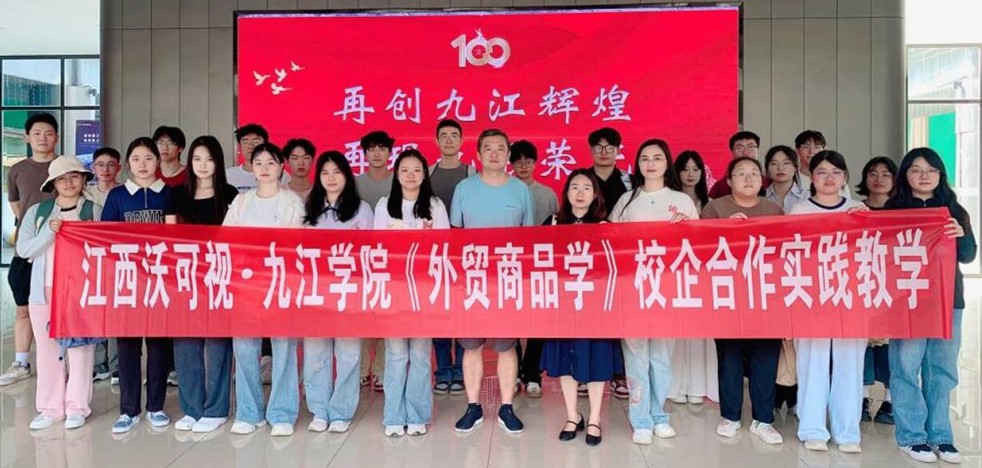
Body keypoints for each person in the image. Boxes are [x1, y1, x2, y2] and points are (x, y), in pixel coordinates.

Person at [886, 148, 976, 464]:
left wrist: (961, 234)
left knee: (942, 369)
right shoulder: (893, 210)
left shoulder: (954, 210)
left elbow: (968, 256)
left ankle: (941, 436)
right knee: (906, 367)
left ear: (940, 175)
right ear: (905, 175)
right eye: (916, 169)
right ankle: (911, 436)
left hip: (948, 300)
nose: (924, 176)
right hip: (908, 301)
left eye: (931, 170)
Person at [610, 138, 699, 444]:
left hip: (667, 289)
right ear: (637, 164)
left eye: (657, 158)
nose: (650, 163)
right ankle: (641, 420)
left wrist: (686, 228)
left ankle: (659, 414)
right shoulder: (627, 201)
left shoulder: (682, 201)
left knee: (661, 357)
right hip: (633, 288)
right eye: (644, 158)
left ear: (667, 163)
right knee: (636, 357)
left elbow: (698, 247)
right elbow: (611, 242)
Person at [451, 129, 533, 434]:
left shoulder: (520, 190)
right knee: (471, 346)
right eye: (488, 148)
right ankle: (473, 406)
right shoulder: (464, 188)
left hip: (508, 279)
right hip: (472, 279)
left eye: (501, 148)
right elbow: (455, 235)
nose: (495, 153)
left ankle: (506, 406)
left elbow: (528, 238)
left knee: (506, 346)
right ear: (478, 154)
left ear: (508, 154)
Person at [788, 150, 867, 453]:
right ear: (812, 177)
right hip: (812, 297)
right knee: (813, 363)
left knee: (850, 364)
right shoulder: (799, 210)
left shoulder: (858, 210)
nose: (829, 178)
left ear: (845, 177)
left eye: (836, 172)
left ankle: (848, 432)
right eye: (822, 172)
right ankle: (813, 429)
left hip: (851, 297)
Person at [701, 157, 784, 445]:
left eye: (753, 174)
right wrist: (724, 229)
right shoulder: (715, 209)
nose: (748, 179)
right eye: (741, 174)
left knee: (765, 358)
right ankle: (730, 416)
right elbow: (700, 248)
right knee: (730, 357)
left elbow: (785, 250)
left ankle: (763, 420)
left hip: (765, 295)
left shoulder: (774, 210)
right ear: (729, 180)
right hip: (728, 295)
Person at [223, 143, 304, 437]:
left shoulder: (291, 202)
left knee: (283, 348)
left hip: (280, 283)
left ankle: (282, 412)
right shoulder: (242, 201)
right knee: (245, 348)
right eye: (259, 163)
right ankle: (249, 412)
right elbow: (226, 239)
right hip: (246, 285)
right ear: (252, 168)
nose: (265, 168)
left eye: (271, 162)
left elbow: (293, 245)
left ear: (281, 166)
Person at [16, 156, 102, 430]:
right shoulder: (38, 213)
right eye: (62, 178)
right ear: (52, 183)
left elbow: (105, 249)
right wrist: (49, 233)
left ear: (84, 180)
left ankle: (77, 406)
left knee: (81, 349)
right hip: (44, 290)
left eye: (74, 176)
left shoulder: (94, 210)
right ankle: (50, 408)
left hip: (80, 291)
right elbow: (23, 249)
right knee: (47, 350)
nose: (68, 182)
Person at [540, 168, 623, 446]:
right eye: (575, 187)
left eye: (587, 187)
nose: (580, 192)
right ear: (566, 193)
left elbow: (615, 267)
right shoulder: (553, 222)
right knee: (565, 359)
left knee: (597, 358)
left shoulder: (604, 225)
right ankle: (572, 415)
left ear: (595, 194)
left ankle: (595, 417)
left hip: (594, 305)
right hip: (562, 303)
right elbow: (537, 259)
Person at [164, 136, 239, 434]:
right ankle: (192, 408)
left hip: (220, 277)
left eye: (209, 159)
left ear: (217, 162)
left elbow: (238, 237)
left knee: (218, 343)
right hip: (185, 277)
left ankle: (217, 409)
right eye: (197, 159)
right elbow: (170, 238)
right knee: (186, 344)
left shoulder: (230, 194)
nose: (203, 165)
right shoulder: (176, 195)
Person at [374, 149, 449, 437]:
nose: (410, 175)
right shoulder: (385, 205)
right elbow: (377, 249)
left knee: (419, 353)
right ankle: (394, 416)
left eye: (417, 170)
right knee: (395, 353)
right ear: (396, 174)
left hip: (424, 291)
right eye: (404, 170)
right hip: (394, 290)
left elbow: (443, 247)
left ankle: (418, 415)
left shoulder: (435, 206)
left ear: (424, 174)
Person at [102, 137, 173, 434]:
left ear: (158, 161)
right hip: (127, 281)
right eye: (136, 159)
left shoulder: (170, 194)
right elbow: (105, 237)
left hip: (160, 281)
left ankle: (156, 407)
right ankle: (128, 410)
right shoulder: (118, 196)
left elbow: (179, 237)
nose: (142, 165)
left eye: (148, 158)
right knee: (128, 346)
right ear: (128, 164)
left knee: (159, 346)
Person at [301, 151, 374, 433]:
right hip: (317, 291)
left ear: (347, 175)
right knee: (315, 352)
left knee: (348, 353)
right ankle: (319, 410)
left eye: (337, 172)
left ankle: (341, 411)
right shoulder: (309, 208)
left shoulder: (361, 209)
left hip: (349, 290)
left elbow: (370, 252)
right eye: (325, 172)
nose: (331, 178)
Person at [1, 113, 59, 387]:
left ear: (56, 137)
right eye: (36, 133)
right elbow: (17, 206)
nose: (42, 138)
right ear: (27, 137)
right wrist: (31, 233)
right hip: (27, 251)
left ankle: (60, 361)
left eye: (48, 133)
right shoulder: (18, 169)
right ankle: (21, 362)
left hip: (59, 251)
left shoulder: (64, 167)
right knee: (23, 308)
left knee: (58, 309)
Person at [509, 139, 558, 398]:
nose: (523, 166)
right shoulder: (504, 190)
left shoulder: (547, 194)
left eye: (528, 161)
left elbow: (557, 229)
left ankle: (532, 373)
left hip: (540, 264)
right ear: (511, 164)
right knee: (512, 320)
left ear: (536, 163)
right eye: (518, 161)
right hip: (511, 262)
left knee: (538, 321)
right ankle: (514, 371)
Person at [586, 126, 631, 400]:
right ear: (591, 150)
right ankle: (587, 371)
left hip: (621, 259)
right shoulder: (582, 179)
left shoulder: (629, 181)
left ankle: (619, 374)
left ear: (617, 151)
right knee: (591, 316)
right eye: (598, 147)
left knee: (620, 317)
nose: (603, 152)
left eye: (609, 147)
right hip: (588, 258)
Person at [428, 119, 471, 396]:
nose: (449, 140)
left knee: (462, 315)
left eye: (454, 135)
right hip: (435, 256)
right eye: (443, 135)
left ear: (462, 140)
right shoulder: (428, 173)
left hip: (465, 256)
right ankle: (443, 370)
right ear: (436, 141)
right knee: (440, 314)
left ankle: (461, 371)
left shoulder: (471, 172)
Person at [856, 156, 898, 425]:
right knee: (862, 346)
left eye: (885, 174)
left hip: (894, 287)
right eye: (873, 173)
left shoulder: (903, 210)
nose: (879, 179)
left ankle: (891, 401)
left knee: (892, 348)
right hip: (861, 285)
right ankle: (861, 398)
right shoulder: (855, 209)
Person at [353, 130, 394, 392]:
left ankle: (380, 369)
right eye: (372, 149)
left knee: (384, 312)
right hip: (359, 258)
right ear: (365, 153)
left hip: (390, 257)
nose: (377, 153)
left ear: (389, 152)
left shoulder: (398, 181)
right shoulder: (355, 183)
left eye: (382, 148)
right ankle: (359, 370)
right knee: (360, 314)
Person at [86, 146, 122, 383]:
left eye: (111, 164)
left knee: (116, 312)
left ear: (118, 168)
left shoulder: (123, 193)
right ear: (93, 168)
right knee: (96, 311)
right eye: (100, 164)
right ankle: (99, 364)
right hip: (91, 260)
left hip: (118, 261)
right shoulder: (84, 194)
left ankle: (117, 365)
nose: (105, 169)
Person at [225, 123, 290, 192]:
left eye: (256, 141)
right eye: (245, 142)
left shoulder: (279, 174)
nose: (250, 146)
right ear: (239, 146)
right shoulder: (228, 175)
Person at [708, 131, 761, 198]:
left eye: (750, 147)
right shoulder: (720, 187)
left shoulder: (768, 183)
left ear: (758, 151)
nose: (745, 152)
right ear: (732, 153)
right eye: (739, 148)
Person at [764, 145, 808, 212]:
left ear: (795, 168)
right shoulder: (760, 197)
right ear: (767, 170)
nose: (780, 168)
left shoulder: (807, 197)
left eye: (786, 163)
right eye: (774, 163)